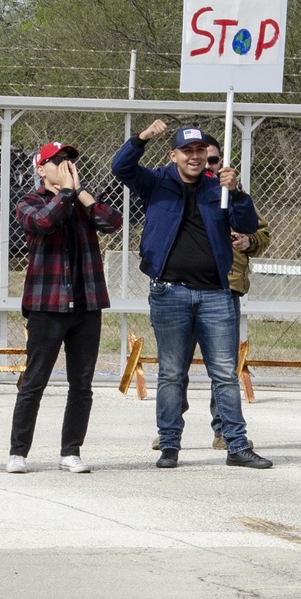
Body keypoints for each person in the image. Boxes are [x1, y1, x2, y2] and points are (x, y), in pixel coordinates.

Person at [112, 120, 272, 469]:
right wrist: (142, 138)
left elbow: (246, 226)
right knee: (171, 372)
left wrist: (239, 194)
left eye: (200, 151)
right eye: (187, 151)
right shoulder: (155, 182)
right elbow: (120, 167)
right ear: (174, 155)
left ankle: (236, 445)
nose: (195, 157)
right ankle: (170, 444)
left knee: (225, 373)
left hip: (216, 293)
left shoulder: (219, 188)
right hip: (169, 293)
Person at [7, 142, 124, 474]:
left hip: (87, 304)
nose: (67, 166)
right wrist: (67, 196)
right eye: (58, 161)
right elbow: (43, 223)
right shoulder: (30, 201)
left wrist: (81, 193)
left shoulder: (83, 201)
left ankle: (70, 451)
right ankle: (18, 451)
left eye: (70, 161)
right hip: (47, 304)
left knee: (82, 383)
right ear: (41, 169)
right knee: (34, 380)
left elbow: (111, 221)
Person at [151, 139, 272, 451]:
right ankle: (170, 431)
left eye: (214, 160)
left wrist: (248, 241)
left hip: (223, 288)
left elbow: (259, 231)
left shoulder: (230, 192)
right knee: (175, 368)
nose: (208, 166)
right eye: (204, 159)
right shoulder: (180, 189)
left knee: (223, 368)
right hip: (177, 290)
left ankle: (225, 432)